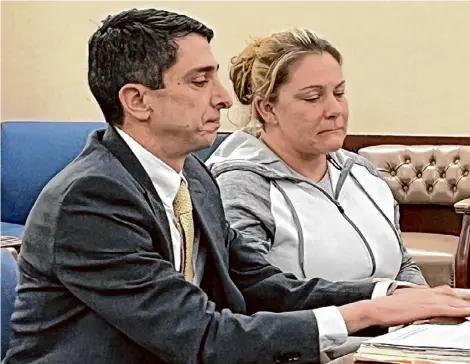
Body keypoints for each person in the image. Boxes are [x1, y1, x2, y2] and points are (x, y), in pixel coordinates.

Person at [4, 9, 470, 364]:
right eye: (200, 80)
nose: (225, 97)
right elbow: (199, 335)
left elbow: (262, 283)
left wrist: (387, 295)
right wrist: (363, 317)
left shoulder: (193, 177)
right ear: (137, 101)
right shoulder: (91, 200)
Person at [206, 29, 425, 286]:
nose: (334, 110)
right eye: (313, 97)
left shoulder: (362, 172)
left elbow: (402, 264)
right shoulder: (241, 186)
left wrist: (427, 305)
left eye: (339, 93)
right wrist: (382, 304)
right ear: (267, 109)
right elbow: (256, 292)